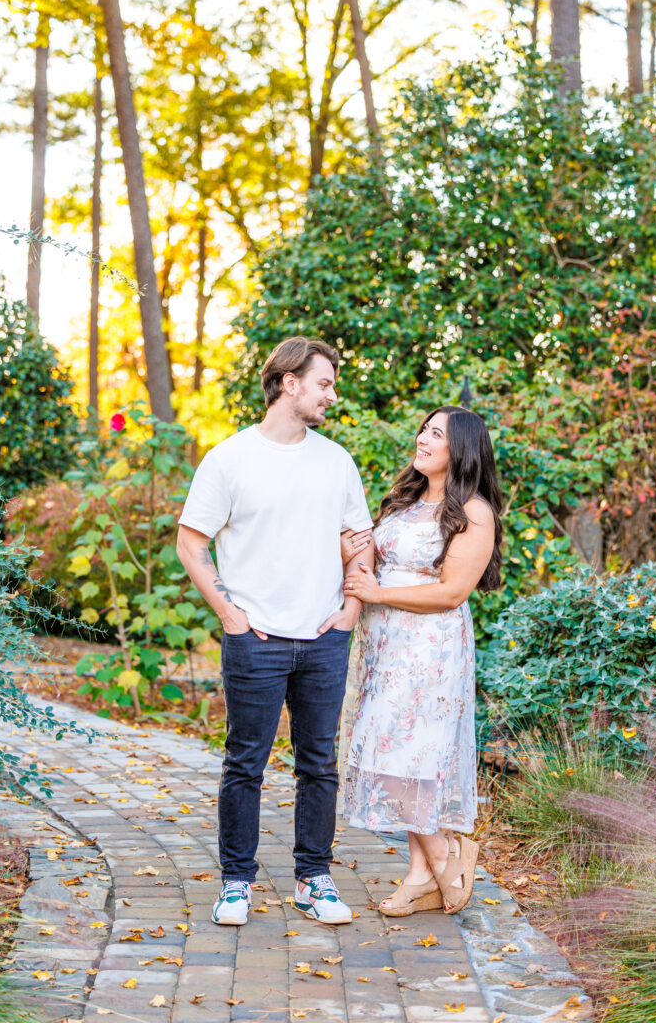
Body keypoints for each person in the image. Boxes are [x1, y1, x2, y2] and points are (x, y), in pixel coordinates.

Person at [176, 337, 374, 927]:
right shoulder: (230, 458)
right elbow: (192, 541)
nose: (330, 395)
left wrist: (350, 612)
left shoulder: (335, 460)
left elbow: (356, 540)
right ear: (290, 383)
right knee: (245, 763)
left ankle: (315, 879)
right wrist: (228, 612)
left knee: (319, 763)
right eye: (324, 383)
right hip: (254, 638)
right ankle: (237, 883)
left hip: (324, 638)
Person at [337, 406, 502, 917]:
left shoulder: (473, 512)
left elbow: (453, 592)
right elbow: (372, 562)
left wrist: (379, 592)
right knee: (398, 755)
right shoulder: (406, 502)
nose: (423, 438)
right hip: (385, 646)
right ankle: (423, 874)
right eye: (424, 429)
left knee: (410, 757)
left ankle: (448, 858)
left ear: (462, 450)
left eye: (437, 434)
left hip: (430, 651)